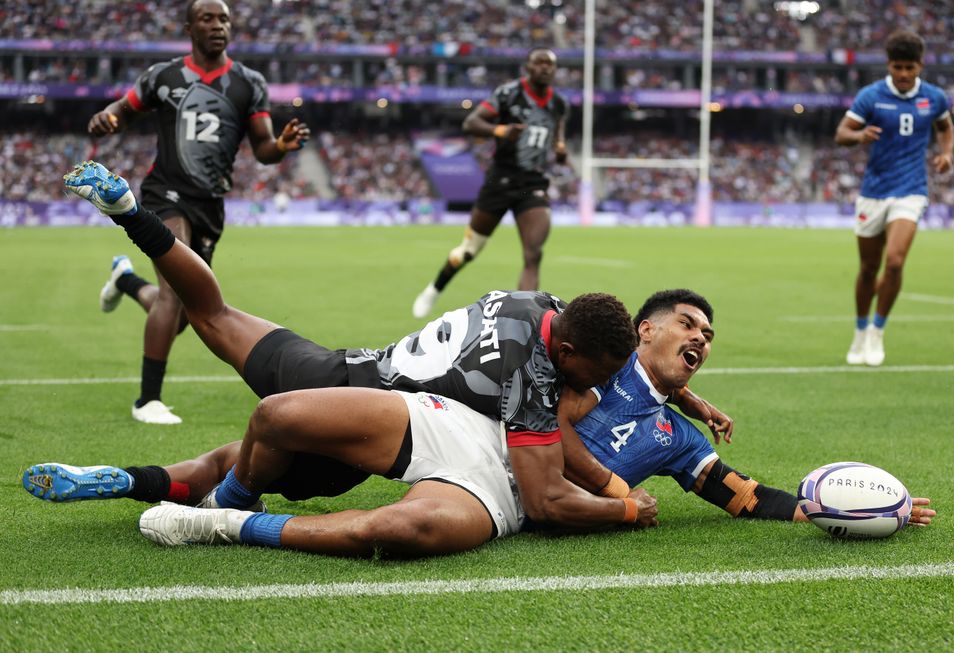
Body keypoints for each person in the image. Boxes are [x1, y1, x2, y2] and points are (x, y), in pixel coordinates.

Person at [37, 160, 662, 556]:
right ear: (570, 350)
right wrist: (623, 503)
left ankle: (129, 214)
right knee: (247, 464)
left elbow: (575, 353)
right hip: (376, 422)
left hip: (339, 368)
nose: (603, 386)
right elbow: (547, 496)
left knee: (214, 315)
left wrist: (677, 392)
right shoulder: (535, 375)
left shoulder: (540, 302)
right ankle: (223, 503)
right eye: (600, 373)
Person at [88, 0, 310, 424]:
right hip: (165, 193)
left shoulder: (248, 83)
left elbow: (262, 149)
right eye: (207, 18)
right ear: (190, 27)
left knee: (186, 309)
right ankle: (146, 401)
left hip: (210, 204)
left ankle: (126, 279)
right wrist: (108, 119)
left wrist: (280, 146)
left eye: (224, 18)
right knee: (173, 293)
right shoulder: (163, 75)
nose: (217, 25)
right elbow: (123, 108)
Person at [557, 289, 935, 527]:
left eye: (707, 337)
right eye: (686, 324)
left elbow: (746, 496)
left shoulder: (680, 438)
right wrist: (619, 490)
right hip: (506, 469)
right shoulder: (606, 359)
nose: (699, 339)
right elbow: (553, 425)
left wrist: (863, 509)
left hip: (544, 510)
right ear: (646, 331)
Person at [412, 48, 569, 319]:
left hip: (532, 183)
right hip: (501, 180)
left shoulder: (559, 104)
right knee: (469, 251)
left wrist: (560, 147)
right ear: (528, 68)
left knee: (533, 253)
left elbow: (557, 132)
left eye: (550, 64)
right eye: (539, 62)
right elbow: (470, 122)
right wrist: (500, 130)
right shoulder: (508, 94)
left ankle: (526, 319)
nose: (544, 68)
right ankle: (434, 288)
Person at [835, 29, 954, 367]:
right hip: (873, 193)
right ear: (889, 65)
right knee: (868, 268)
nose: (903, 74)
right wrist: (859, 135)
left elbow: (945, 127)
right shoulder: (871, 96)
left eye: (910, 68)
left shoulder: (934, 98)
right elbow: (842, 133)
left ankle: (877, 330)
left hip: (911, 190)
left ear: (920, 66)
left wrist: (947, 154)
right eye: (897, 67)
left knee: (897, 260)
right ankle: (860, 330)